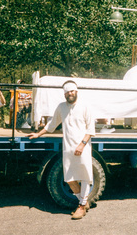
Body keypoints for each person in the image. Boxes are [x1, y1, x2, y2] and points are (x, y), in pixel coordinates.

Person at [27, 80, 95, 220]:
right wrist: (38, 134)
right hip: (68, 147)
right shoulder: (61, 107)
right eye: (67, 91)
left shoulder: (85, 106)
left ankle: (81, 207)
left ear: (76, 91)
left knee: (84, 177)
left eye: (72, 91)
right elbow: (52, 124)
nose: (70, 93)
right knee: (69, 178)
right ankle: (84, 201)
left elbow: (90, 129)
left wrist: (82, 145)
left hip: (83, 147)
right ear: (64, 93)